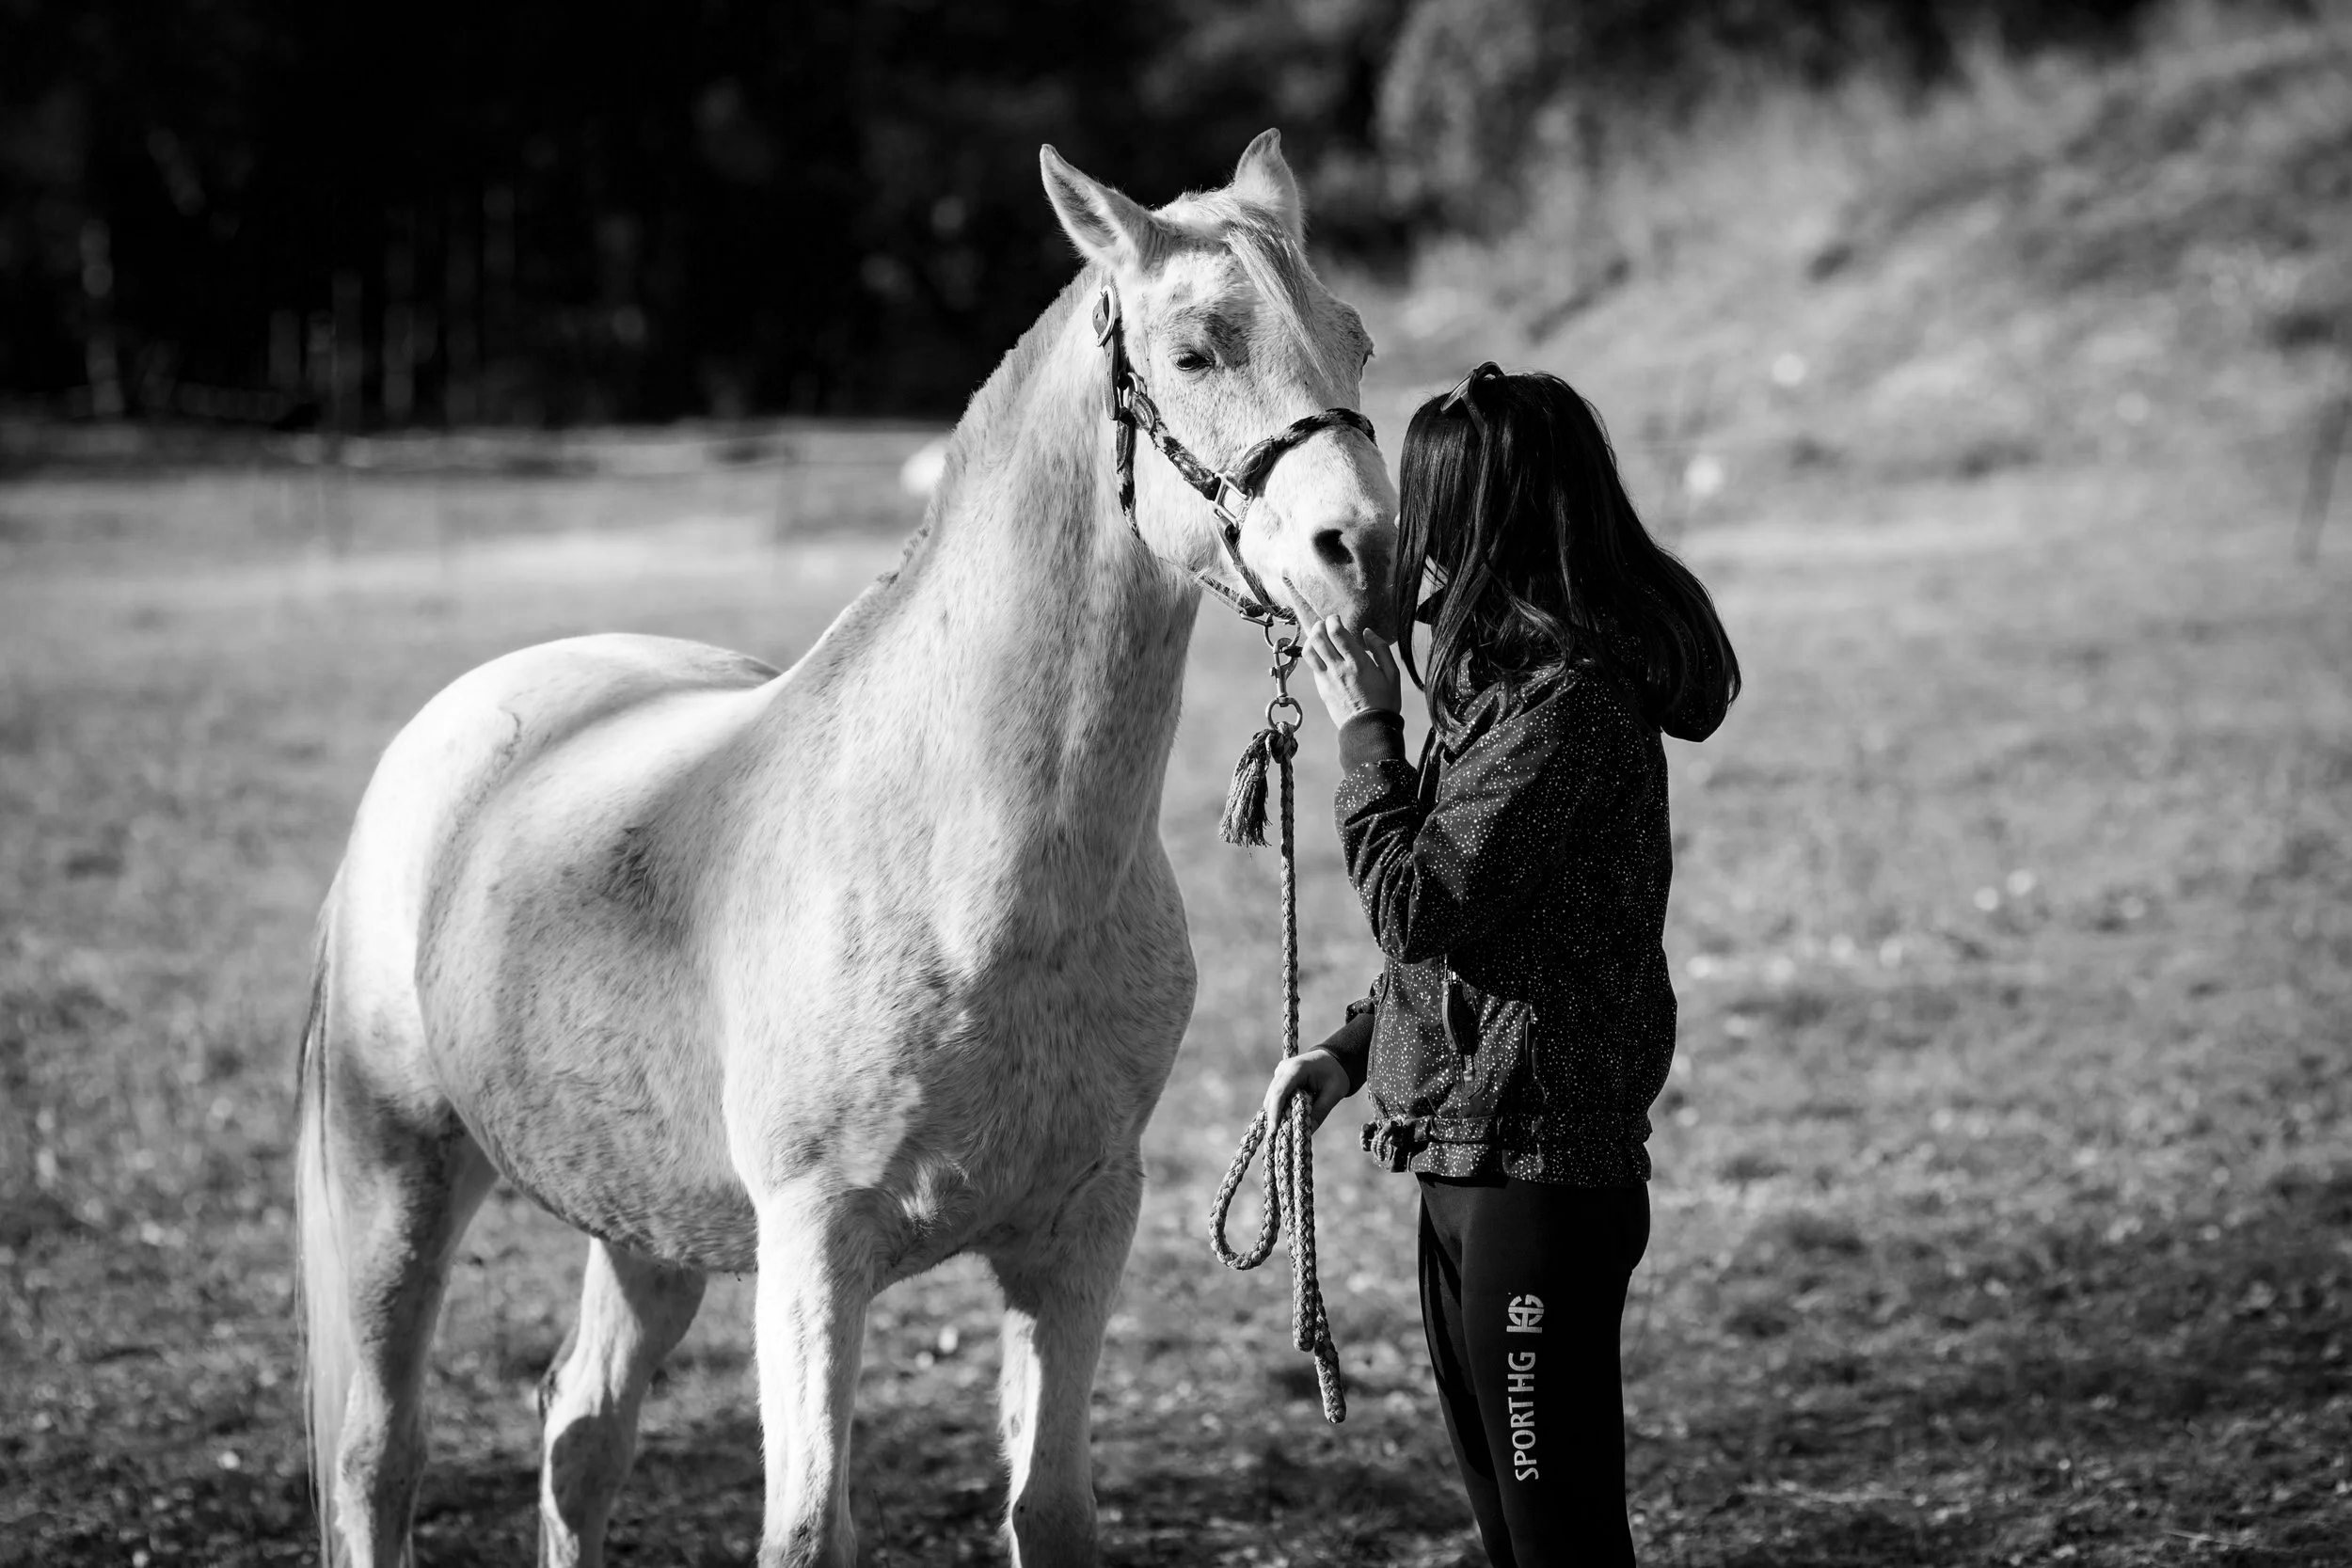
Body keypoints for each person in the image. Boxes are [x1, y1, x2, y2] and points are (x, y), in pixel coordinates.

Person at [1263, 363, 1740, 1567]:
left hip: (1536, 1183)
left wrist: (1366, 731)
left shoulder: (1569, 707)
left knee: (1560, 1541)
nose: (1404, 541)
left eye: (1424, 508)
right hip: (1468, 1167)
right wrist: (1351, 1051)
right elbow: (1480, 939)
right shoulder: (1501, 692)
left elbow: (1420, 900)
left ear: (1480, 523)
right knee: (1513, 1536)